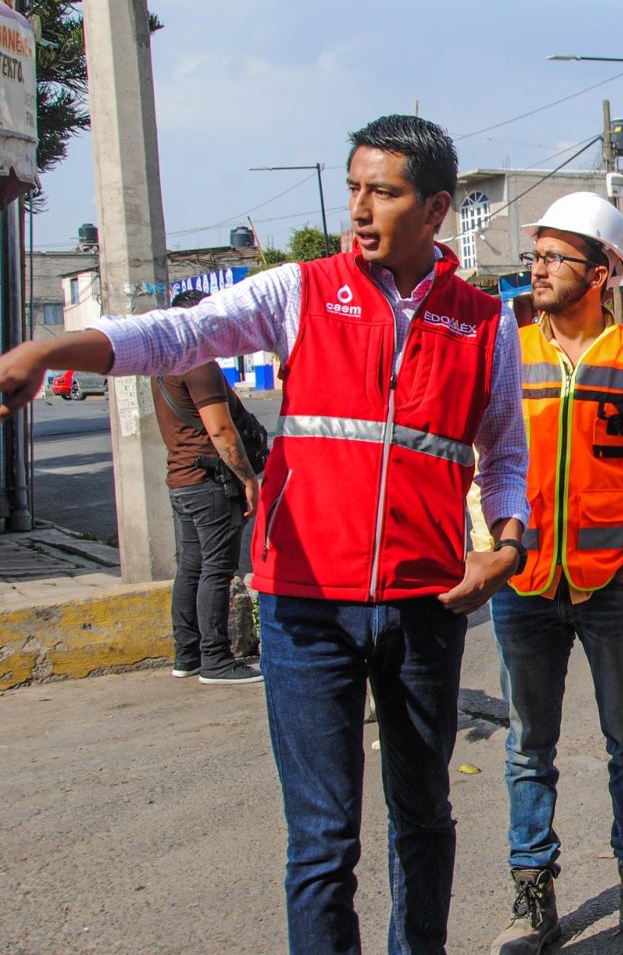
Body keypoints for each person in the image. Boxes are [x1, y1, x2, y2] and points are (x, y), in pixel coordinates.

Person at [0, 114, 530, 955]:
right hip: (303, 608)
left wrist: (507, 546)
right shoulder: (301, 291)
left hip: (428, 601)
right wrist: (55, 345)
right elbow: (180, 334)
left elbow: (504, 455)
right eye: (354, 187)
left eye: (382, 192)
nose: (359, 208)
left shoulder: (484, 322)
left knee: (424, 815)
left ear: (434, 211)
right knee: (323, 839)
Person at [488, 191, 623, 955]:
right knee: (526, 748)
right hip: (526, 585)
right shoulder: (506, 349)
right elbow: (482, 465)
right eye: (535, 255)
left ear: (602, 271)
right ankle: (531, 897)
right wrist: (497, 550)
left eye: (553, 257)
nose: (536, 269)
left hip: (614, 589)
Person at [153, 288, 264, 685]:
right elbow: (221, 430)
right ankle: (216, 660)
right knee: (217, 570)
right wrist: (248, 478)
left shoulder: (166, 364)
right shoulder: (199, 364)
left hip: (182, 481)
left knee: (192, 567)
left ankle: (188, 656)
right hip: (209, 483)